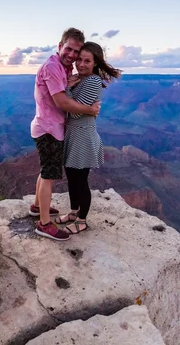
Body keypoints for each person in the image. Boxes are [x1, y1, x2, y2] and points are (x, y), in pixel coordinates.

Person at [30, 28, 101, 241]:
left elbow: (73, 89)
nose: (71, 55)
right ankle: (43, 224)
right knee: (49, 175)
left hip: (54, 128)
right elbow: (61, 102)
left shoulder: (64, 67)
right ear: (60, 46)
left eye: (76, 52)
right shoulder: (53, 67)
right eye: (68, 49)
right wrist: (90, 110)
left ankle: (36, 206)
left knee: (46, 171)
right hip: (48, 129)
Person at [54, 41, 122, 234]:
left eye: (87, 61)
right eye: (79, 60)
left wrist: (66, 88)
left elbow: (74, 113)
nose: (81, 64)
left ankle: (82, 220)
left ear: (95, 63)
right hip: (73, 134)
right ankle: (74, 213)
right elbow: (75, 108)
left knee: (81, 181)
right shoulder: (80, 79)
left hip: (83, 136)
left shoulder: (92, 81)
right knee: (72, 179)